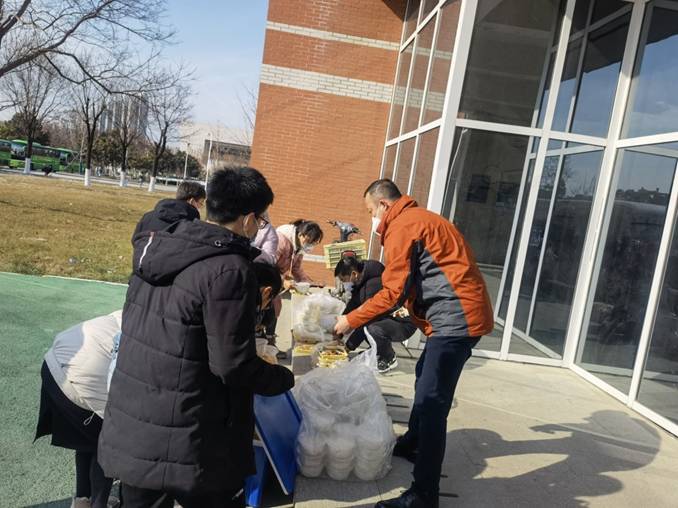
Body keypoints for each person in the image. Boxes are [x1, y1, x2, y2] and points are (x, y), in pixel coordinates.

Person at [99, 167, 295, 508]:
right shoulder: (230, 269)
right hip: (189, 431)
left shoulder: (159, 246)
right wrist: (281, 378)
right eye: (261, 220)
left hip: (136, 418)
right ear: (249, 219)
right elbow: (232, 364)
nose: (259, 227)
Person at [334, 179, 494, 508]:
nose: (372, 219)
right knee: (424, 377)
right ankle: (413, 442)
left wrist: (351, 320)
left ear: (383, 205)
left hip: (455, 319)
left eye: (371, 211)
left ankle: (423, 494)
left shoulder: (405, 225)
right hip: (454, 316)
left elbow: (393, 292)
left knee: (432, 402)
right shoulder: (422, 219)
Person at [35, 311, 122, 508]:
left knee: (86, 438)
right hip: (81, 375)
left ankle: (82, 499)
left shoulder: (134, 309)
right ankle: (97, 503)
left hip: (53, 362)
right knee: (107, 444)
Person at [335, 252, 417, 374]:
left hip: (403, 323)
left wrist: (348, 347)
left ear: (354, 274)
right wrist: (338, 333)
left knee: (371, 329)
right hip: (387, 319)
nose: (343, 284)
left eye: (344, 280)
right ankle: (376, 351)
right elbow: (352, 306)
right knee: (368, 326)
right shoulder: (361, 281)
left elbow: (366, 319)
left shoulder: (374, 284)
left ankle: (388, 358)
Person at [268, 219, 324, 358]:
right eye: (310, 241)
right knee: (266, 312)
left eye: (313, 242)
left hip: (276, 284)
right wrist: (283, 280)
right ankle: (263, 347)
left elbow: (297, 268)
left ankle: (269, 346)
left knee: (274, 311)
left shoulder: (299, 247)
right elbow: (268, 265)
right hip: (266, 281)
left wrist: (309, 284)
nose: (310, 245)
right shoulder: (281, 241)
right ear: (301, 235)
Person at [132, 180, 206, 237]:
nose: (201, 207)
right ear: (191, 201)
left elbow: (136, 239)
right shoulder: (191, 225)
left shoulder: (147, 217)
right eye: (201, 203)